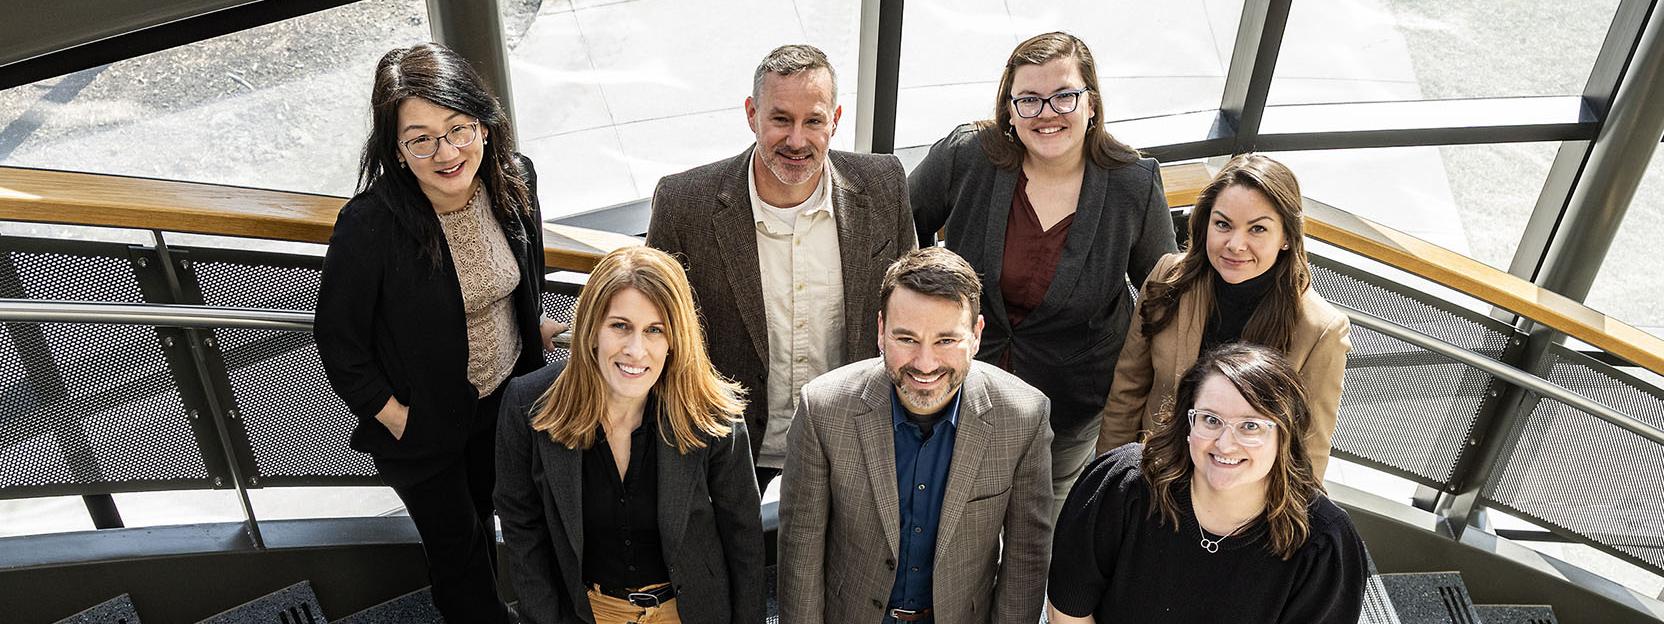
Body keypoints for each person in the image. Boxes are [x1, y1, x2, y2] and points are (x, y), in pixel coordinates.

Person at [314, 43, 564, 623]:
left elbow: (526, 277)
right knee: (461, 557)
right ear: (396, 151)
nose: (445, 152)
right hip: (425, 427)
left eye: (458, 128)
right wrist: (396, 415)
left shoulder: (514, 180)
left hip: (508, 403)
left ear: (483, 123)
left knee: (528, 525)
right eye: (420, 138)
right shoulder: (371, 225)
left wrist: (533, 334)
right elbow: (339, 340)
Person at [908, 32, 1177, 513]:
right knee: (948, 516)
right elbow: (900, 223)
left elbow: (1164, 301)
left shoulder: (1133, 186)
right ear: (1009, 109)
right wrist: (926, 311)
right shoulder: (969, 156)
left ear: (1091, 104)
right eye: (1029, 99)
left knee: (1038, 530)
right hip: (958, 389)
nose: (1046, 113)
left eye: (1063, 96)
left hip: (1067, 410)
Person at [647, 44, 917, 492]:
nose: (796, 139)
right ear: (752, 114)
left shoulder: (885, 186)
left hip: (852, 450)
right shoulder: (684, 205)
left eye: (813, 120)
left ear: (835, 118)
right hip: (730, 456)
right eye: (780, 119)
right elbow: (658, 331)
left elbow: (910, 312)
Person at [778, 247, 1052, 624]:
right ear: (880, 330)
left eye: (945, 340)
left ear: (976, 335)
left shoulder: (1024, 416)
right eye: (906, 339)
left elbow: (1025, 562)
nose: (925, 364)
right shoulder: (822, 410)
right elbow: (800, 557)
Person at [494, 246, 766, 624]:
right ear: (592, 330)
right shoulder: (527, 406)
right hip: (587, 612)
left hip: (690, 612)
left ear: (675, 341)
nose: (636, 350)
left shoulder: (713, 414)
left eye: (655, 330)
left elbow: (744, 538)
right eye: (620, 326)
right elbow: (523, 530)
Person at [1050, 343, 1368, 622]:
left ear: (1284, 435)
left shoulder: (1324, 545)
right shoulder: (1124, 485)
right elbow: (1068, 609)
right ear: (1188, 422)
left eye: (1250, 426)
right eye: (1211, 420)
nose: (1225, 444)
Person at [1096, 153, 1351, 480]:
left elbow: (1309, 451)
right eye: (1223, 224)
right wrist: (1105, 479)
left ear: (1287, 237)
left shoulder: (1320, 330)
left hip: (1238, 499)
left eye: (1257, 229)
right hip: (1154, 475)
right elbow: (1128, 390)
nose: (1235, 244)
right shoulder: (1168, 278)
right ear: (1205, 225)